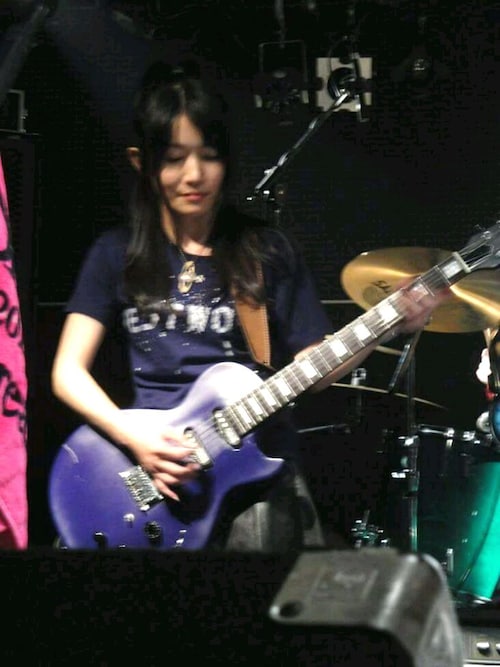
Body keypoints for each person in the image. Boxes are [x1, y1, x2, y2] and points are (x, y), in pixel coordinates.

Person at [50, 60, 445, 552]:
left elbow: (312, 368)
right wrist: (130, 434)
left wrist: (389, 323)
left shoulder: (265, 250)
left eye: (209, 156)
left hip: (254, 474)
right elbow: (67, 372)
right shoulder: (116, 253)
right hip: (147, 467)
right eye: (174, 158)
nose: (194, 175)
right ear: (141, 162)